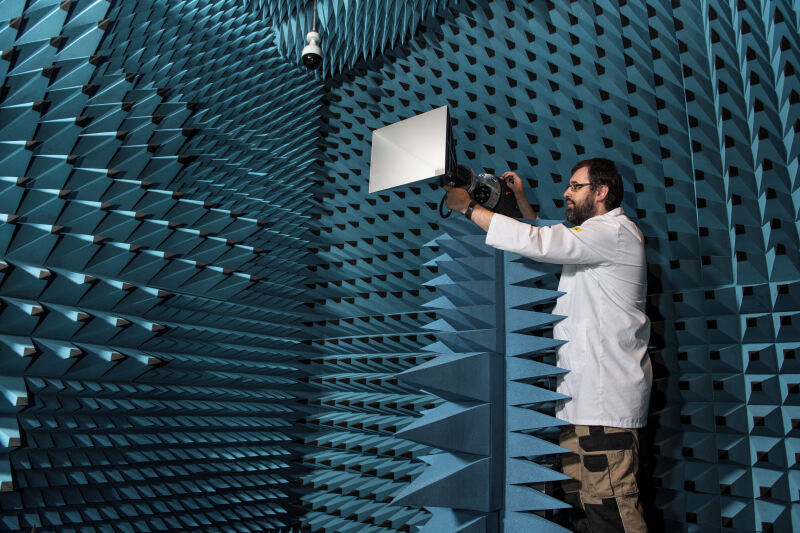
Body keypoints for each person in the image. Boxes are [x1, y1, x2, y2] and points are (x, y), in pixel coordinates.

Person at [444, 158, 651, 533]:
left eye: (575, 186)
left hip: (603, 407)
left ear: (601, 192)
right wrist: (520, 201)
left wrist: (469, 208)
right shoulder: (592, 236)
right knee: (583, 508)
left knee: (610, 509)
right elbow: (549, 235)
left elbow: (541, 241)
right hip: (579, 404)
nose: (566, 192)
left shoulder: (614, 232)